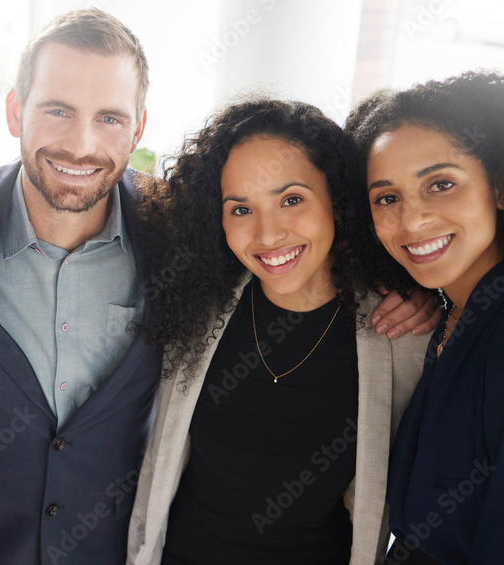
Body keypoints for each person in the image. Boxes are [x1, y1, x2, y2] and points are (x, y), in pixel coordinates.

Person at [0, 10, 437, 564]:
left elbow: (290, 242)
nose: (81, 142)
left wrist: (401, 284)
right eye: (58, 110)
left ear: (139, 129)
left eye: (110, 118)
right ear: (15, 110)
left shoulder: (184, 232)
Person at [125, 99, 429, 565]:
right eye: (241, 209)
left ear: (340, 203)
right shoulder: (197, 303)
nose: (267, 235)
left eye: (291, 200)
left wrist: (436, 297)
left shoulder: (401, 330)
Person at [348, 72, 504, 564]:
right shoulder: (450, 313)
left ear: (502, 187)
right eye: (387, 197)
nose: (412, 221)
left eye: (441, 184)